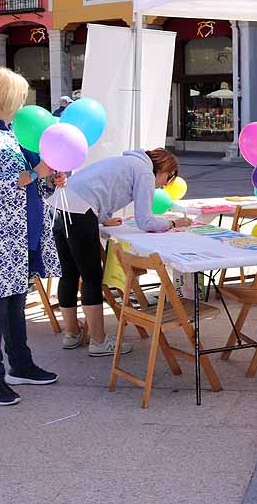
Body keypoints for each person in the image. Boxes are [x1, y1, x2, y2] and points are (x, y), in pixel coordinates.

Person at [0, 66, 64, 406]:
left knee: (17, 301)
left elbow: (30, 180)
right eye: (19, 96)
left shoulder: (12, 131)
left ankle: (20, 364)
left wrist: (48, 179)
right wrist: (35, 172)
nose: (23, 102)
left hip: (20, 233)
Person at [49, 148, 192, 356]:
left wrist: (102, 218)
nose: (162, 186)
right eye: (166, 180)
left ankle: (71, 334)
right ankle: (99, 341)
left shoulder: (127, 162)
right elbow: (145, 221)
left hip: (60, 205)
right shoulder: (144, 171)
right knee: (91, 277)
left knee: (69, 273)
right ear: (165, 170)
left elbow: (101, 189)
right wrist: (173, 222)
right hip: (80, 211)